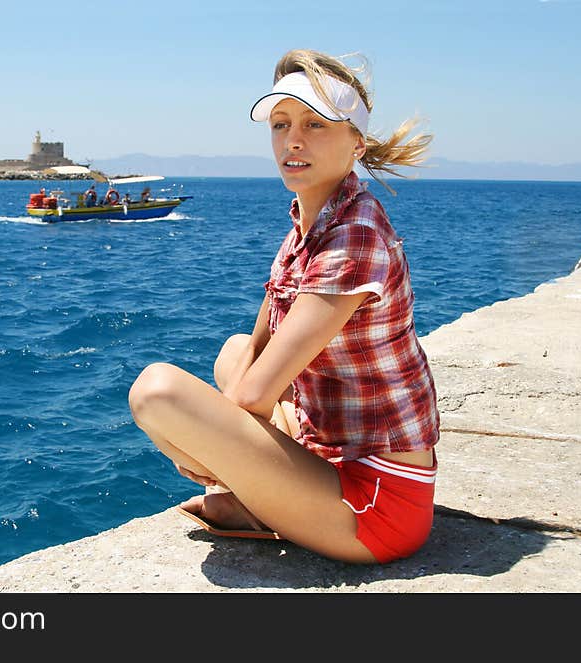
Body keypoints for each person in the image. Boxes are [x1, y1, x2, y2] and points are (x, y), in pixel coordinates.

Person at [127, 48, 439, 564]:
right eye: (280, 124)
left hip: (376, 507)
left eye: (316, 125)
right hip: (331, 457)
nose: (292, 140)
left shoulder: (354, 237)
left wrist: (205, 450)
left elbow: (253, 396)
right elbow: (255, 347)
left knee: (157, 394)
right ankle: (252, 496)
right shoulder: (310, 223)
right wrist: (220, 447)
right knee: (231, 352)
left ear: (356, 143)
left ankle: (248, 500)